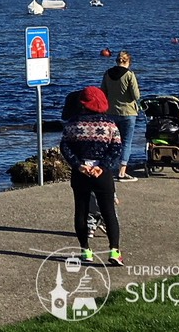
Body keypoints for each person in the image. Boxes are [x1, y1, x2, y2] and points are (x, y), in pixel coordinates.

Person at [60, 86, 124, 267]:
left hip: (81, 172)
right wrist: (102, 166)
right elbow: (116, 149)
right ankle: (115, 250)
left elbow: (65, 147)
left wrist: (78, 164)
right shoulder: (110, 125)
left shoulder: (73, 124)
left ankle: (85, 250)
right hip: (102, 173)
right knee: (109, 212)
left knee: (81, 211)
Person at [101, 50, 142, 182]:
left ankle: (107, 168)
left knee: (111, 142)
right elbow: (136, 96)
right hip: (128, 112)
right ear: (128, 62)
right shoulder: (129, 75)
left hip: (111, 112)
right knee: (126, 142)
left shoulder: (107, 74)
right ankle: (122, 172)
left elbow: (102, 92)